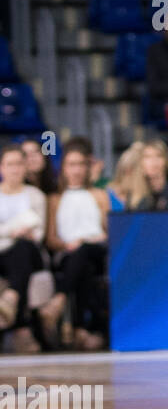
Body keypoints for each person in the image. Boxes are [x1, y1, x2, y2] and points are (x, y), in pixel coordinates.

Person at [40, 138, 110, 351]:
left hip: (98, 249)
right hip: (69, 253)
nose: (76, 170)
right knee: (82, 262)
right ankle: (81, 329)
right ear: (63, 168)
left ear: (87, 167)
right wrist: (66, 245)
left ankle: (58, 300)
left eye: (81, 164)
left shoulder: (98, 194)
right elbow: (51, 239)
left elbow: (110, 231)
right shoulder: (55, 199)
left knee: (85, 251)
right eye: (71, 164)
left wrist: (89, 241)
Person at [0, 144, 47, 354]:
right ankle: (21, 327)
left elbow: (39, 232)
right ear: (1, 167)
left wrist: (7, 232)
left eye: (19, 164)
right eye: (10, 164)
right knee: (17, 248)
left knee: (23, 247)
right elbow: (27, 226)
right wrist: (14, 230)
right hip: (2, 253)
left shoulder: (36, 195)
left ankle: (10, 300)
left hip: (29, 252)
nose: (15, 169)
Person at [124, 139, 168, 210]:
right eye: (147, 157)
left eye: (159, 156)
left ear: (166, 160)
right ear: (140, 162)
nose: (154, 161)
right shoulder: (134, 194)